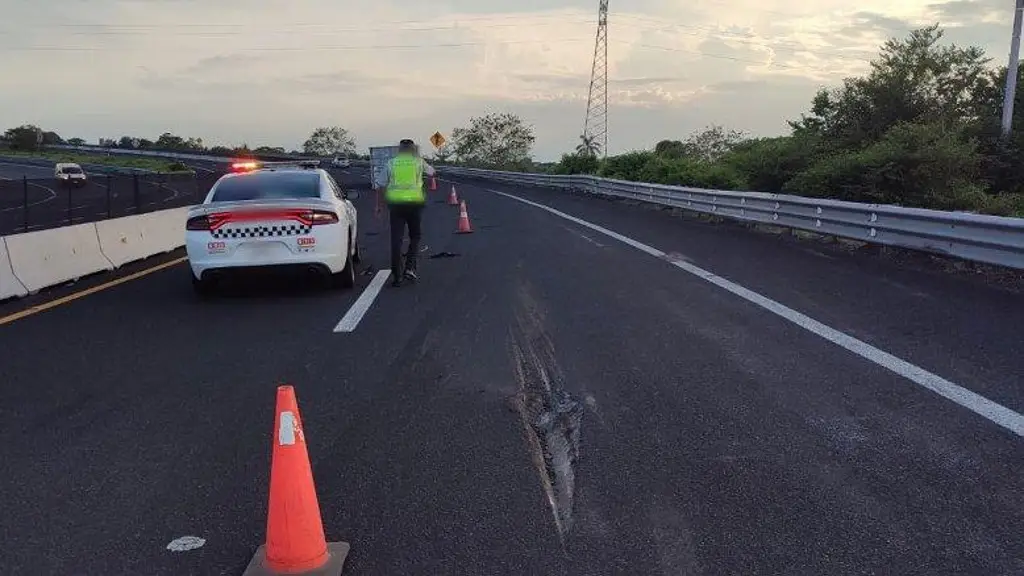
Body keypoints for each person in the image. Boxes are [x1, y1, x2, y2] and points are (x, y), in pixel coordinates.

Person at [376, 139, 435, 286]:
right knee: (415, 236)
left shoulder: (391, 163)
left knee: (396, 240)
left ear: (400, 150)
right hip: (414, 203)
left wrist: (379, 205)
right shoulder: (418, 162)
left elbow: (381, 185)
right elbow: (433, 173)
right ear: (412, 149)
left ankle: (397, 276)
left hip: (396, 205)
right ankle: (410, 267)